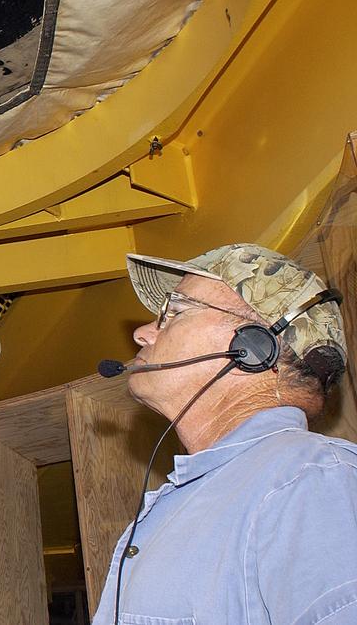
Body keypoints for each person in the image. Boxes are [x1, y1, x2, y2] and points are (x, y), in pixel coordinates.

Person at [91, 243, 357, 624]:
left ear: (252, 347)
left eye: (174, 313)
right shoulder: (207, 496)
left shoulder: (310, 480)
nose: (142, 333)